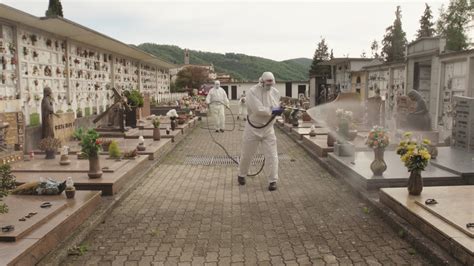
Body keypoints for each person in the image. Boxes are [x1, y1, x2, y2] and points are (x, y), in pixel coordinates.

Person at [238, 72, 283, 191]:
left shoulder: (275, 92)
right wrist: (273, 110)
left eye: (271, 85)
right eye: (267, 84)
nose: (269, 87)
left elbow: (276, 106)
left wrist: (278, 109)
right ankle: (242, 174)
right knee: (247, 154)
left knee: (272, 155)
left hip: (268, 129)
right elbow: (258, 110)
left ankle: (273, 180)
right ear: (262, 82)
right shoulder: (252, 92)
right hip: (253, 128)